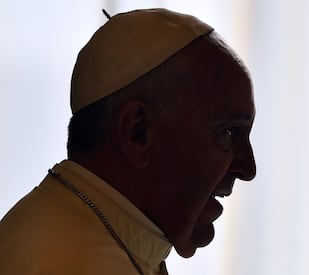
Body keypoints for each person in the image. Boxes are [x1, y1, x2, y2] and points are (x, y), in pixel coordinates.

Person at [0, 8, 256, 275]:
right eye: (228, 133)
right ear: (138, 132)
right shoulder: (64, 262)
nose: (248, 168)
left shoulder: (83, 231)